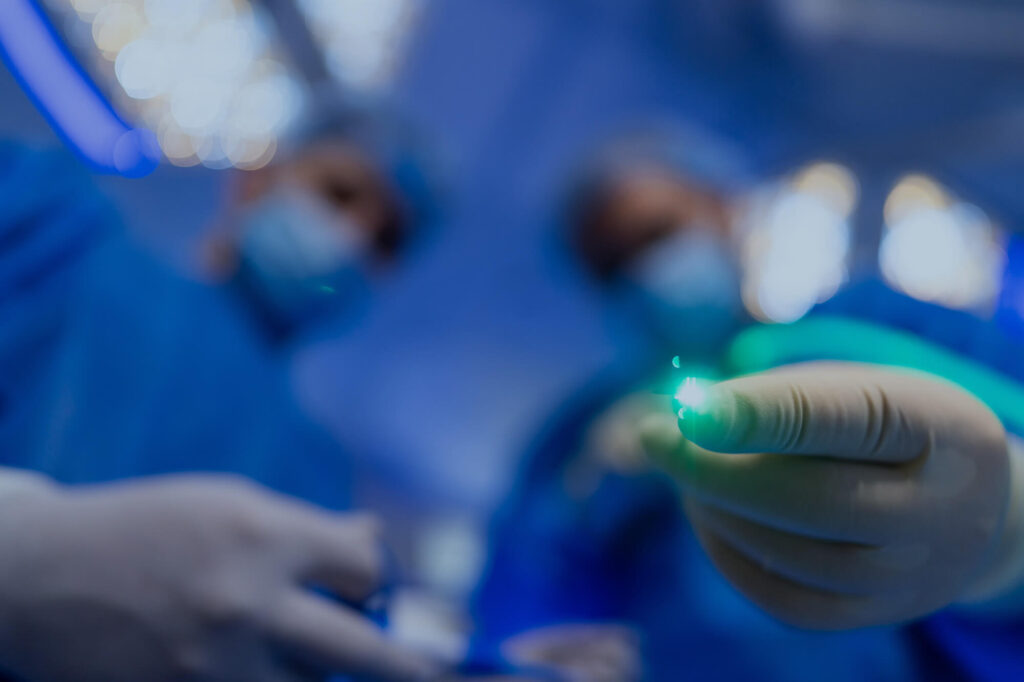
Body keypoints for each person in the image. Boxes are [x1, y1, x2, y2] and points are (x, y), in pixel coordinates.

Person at [468, 135, 913, 681]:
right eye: (613, 265)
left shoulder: (860, 346)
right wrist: (580, 511)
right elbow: (526, 614)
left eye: (658, 233)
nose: (645, 271)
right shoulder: (584, 436)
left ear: (726, 208)